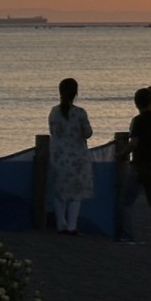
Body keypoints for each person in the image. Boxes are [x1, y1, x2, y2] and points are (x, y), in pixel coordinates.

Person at [116, 87, 151, 245]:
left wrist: (121, 155)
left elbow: (133, 143)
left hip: (140, 164)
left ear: (136, 103)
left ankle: (127, 236)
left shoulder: (138, 120)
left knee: (126, 202)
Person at [48, 77, 94, 235]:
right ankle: (72, 226)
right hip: (77, 157)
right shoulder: (80, 112)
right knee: (76, 193)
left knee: (59, 192)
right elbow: (88, 133)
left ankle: (61, 224)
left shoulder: (54, 111)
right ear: (75, 93)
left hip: (58, 155)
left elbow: (52, 131)